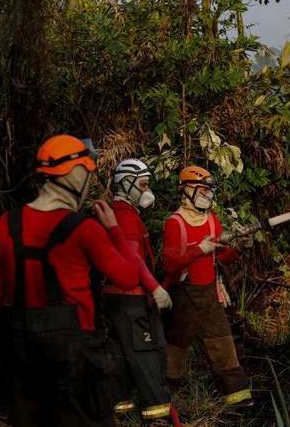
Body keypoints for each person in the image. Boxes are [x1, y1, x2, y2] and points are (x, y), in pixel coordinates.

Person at [0, 134, 140, 426]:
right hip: (76, 356)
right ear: (77, 173)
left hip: (21, 353)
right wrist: (113, 229)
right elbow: (128, 277)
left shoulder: (5, 225)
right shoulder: (85, 229)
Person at [162, 165, 253, 407]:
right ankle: (168, 400)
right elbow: (170, 264)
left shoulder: (212, 221)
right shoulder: (175, 223)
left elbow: (221, 257)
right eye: (202, 190)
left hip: (209, 294)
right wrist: (198, 249)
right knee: (175, 348)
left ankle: (237, 398)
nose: (207, 196)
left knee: (223, 343)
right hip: (183, 296)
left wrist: (239, 248)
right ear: (186, 190)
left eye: (210, 191)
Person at [105, 159, 181, 426]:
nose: (148, 191)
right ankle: (158, 415)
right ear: (126, 183)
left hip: (114, 299)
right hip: (130, 298)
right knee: (147, 356)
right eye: (144, 184)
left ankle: (120, 410)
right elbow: (132, 259)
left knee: (119, 356)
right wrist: (154, 287)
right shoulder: (126, 218)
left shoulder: (118, 213)